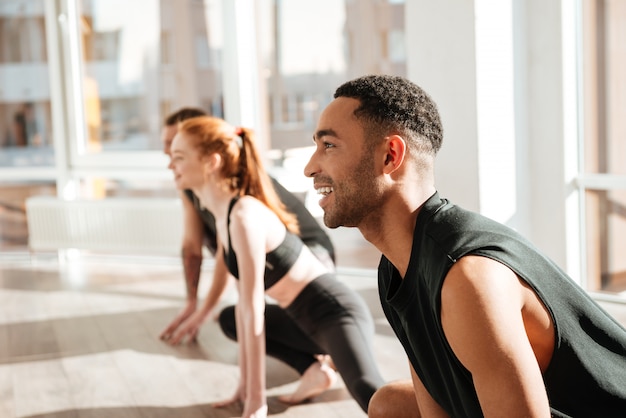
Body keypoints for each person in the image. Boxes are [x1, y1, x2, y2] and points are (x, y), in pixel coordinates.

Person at [304, 74, 626, 417]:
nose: (310, 167)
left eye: (329, 146)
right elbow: (436, 400)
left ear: (390, 156)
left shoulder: (468, 276)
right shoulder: (397, 266)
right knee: (389, 405)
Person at [168, 115, 385, 417]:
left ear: (212, 161)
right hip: (300, 322)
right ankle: (313, 370)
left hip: (335, 314)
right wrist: (243, 388)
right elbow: (243, 310)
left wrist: (257, 402)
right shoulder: (221, 213)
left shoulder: (244, 214)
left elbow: (254, 308)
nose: (170, 165)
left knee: (368, 391)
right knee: (230, 318)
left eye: (178, 157)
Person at [159, 107, 335, 345]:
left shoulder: (234, 188)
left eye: (172, 142)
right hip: (273, 265)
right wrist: (191, 303)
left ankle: (325, 348)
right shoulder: (191, 187)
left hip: (311, 254)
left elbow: (227, 255)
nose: (166, 150)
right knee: (237, 318)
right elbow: (192, 245)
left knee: (262, 315)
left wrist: (203, 313)